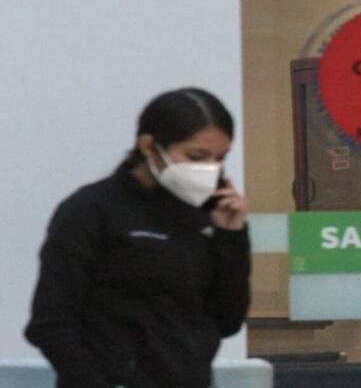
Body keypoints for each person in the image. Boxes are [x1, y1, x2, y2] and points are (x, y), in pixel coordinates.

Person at [25, 88, 251, 388]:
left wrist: (231, 236)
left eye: (219, 158)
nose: (209, 168)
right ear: (148, 146)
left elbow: (227, 320)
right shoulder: (91, 209)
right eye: (195, 156)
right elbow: (50, 322)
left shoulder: (203, 216)